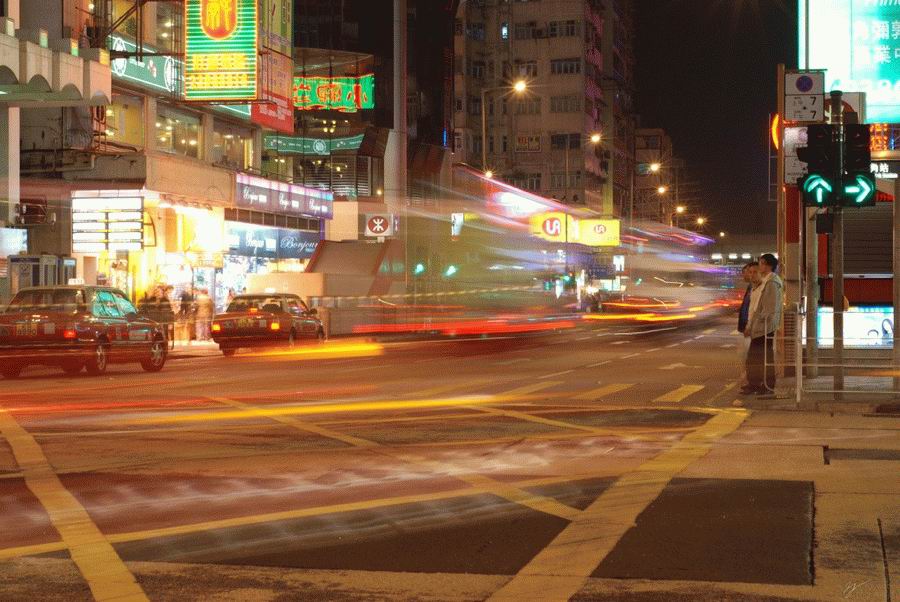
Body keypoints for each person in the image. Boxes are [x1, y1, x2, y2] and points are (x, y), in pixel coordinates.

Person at [743, 253, 784, 395]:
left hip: (764, 327)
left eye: (761, 263)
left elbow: (769, 309)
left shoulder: (772, 282)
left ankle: (767, 386)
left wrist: (758, 323)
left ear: (768, 265)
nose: (759, 266)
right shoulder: (766, 281)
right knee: (757, 357)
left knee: (764, 357)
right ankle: (758, 384)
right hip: (760, 326)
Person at [737, 262, 758, 334]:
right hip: (747, 325)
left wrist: (749, 326)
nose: (743, 275)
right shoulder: (750, 287)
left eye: (744, 272)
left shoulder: (756, 288)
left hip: (752, 327)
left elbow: (753, 309)